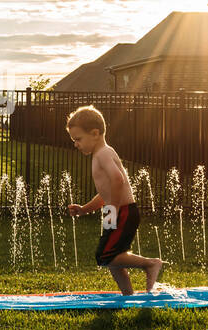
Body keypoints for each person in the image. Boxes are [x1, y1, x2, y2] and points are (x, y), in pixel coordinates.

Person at [65, 104, 164, 294]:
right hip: (121, 210)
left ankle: (150, 264)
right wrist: (84, 209)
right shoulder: (100, 154)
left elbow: (118, 180)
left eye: (78, 139)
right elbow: (106, 193)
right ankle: (128, 295)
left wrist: (113, 209)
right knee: (113, 258)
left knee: (105, 256)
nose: (75, 144)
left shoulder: (103, 153)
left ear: (95, 133)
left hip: (123, 212)